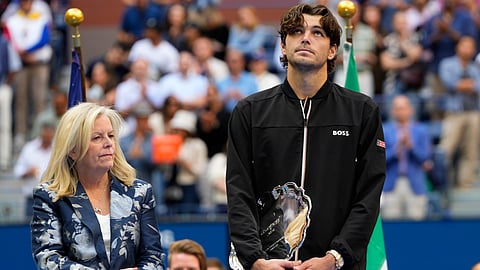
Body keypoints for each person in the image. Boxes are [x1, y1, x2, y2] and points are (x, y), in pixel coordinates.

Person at [226, 4, 386, 270]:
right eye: (296, 31)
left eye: (317, 33)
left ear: (333, 49)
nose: (306, 38)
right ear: (283, 46)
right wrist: (255, 259)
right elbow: (239, 193)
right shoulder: (250, 112)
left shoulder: (362, 112)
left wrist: (335, 257)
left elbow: (368, 196)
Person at [30, 102, 164, 269]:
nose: (108, 143)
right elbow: (48, 259)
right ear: (73, 150)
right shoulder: (49, 197)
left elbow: (154, 259)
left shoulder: (140, 192)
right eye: (97, 137)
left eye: (111, 135)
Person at [438, 35, 480, 189]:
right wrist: (467, 85)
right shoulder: (447, 64)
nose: (467, 49)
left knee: (471, 149)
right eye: (465, 45)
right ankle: (443, 184)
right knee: (447, 148)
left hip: (474, 113)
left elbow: (478, 87)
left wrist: (464, 85)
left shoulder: (475, 67)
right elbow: (449, 83)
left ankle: (465, 183)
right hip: (454, 112)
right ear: (458, 47)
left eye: (471, 46)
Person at [381, 95, 432, 220]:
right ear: (392, 111)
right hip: (390, 184)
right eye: (397, 108)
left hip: (415, 183)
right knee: (390, 221)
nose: (401, 111)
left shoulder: (421, 130)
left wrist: (410, 146)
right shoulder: (384, 130)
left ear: (410, 110)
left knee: (416, 221)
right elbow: (379, 158)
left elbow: (425, 157)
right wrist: (396, 149)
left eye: (403, 108)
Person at [13, 119, 55, 220]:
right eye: (45, 133)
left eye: (49, 134)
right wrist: (27, 172)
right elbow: (17, 170)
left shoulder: (57, 150)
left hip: (52, 200)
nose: (47, 136)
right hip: (32, 200)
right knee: (29, 230)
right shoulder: (29, 149)